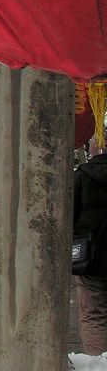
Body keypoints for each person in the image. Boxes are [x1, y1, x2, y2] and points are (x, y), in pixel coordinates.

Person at [72, 152, 107, 355]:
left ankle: (99, 369)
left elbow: (69, 214)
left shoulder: (84, 175)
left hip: (91, 256)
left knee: (94, 315)